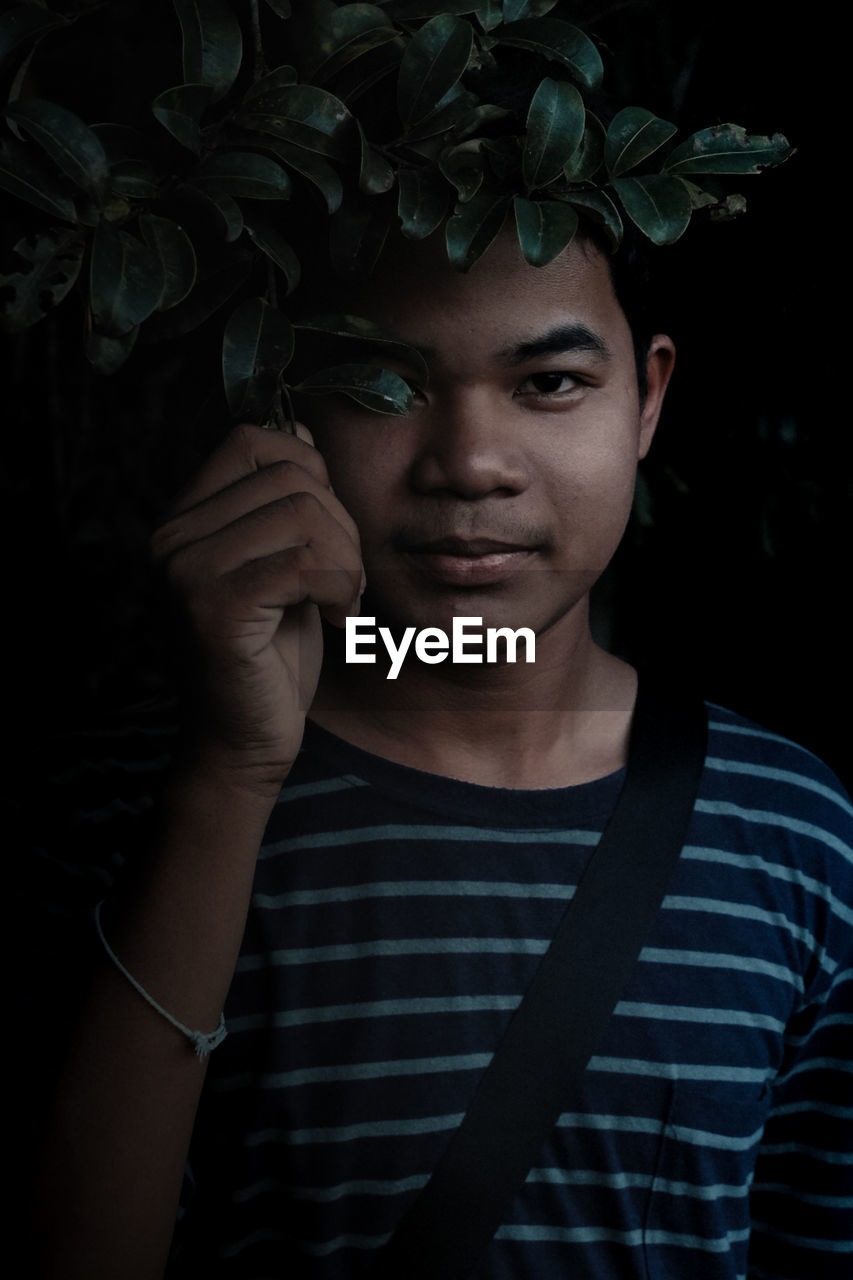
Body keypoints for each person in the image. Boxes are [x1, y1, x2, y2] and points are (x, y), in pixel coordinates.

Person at [35, 221, 852, 1280]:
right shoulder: (134, 808)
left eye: (549, 380)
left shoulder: (788, 827)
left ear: (646, 398)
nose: (469, 463)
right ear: (282, 407)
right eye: (381, 382)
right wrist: (229, 778)